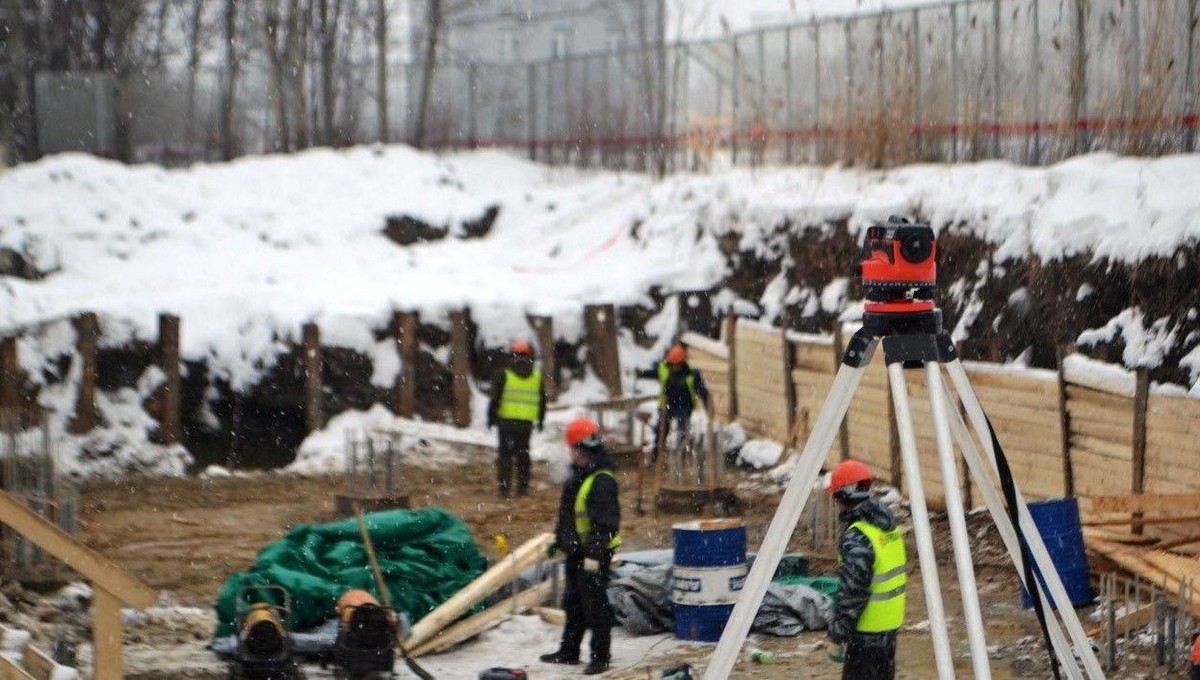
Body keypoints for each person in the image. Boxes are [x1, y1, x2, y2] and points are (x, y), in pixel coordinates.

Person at [540, 417, 621, 676]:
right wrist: (560, 539)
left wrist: (594, 556)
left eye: (573, 449)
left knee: (594, 605)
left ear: (582, 448)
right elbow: (568, 514)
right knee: (573, 602)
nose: (570, 454)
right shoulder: (577, 475)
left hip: (594, 554)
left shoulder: (602, 480)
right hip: (577, 551)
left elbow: (606, 524)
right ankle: (569, 652)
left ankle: (600, 657)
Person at [824, 459, 906, 680]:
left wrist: (837, 634)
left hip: (865, 638)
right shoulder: (887, 527)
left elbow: (853, 592)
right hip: (888, 632)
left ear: (843, 495)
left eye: (835, 496)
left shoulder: (858, 536)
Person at [486, 340, 546, 498]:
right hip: (525, 424)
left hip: (506, 422)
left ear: (512, 355)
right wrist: (540, 419)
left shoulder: (504, 375)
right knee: (523, 455)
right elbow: (542, 401)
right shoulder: (536, 377)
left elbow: (495, 399)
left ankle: (504, 489)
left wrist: (491, 417)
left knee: (505, 455)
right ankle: (523, 488)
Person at [638, 344, 709, 460]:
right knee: (661, 430)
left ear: (682, 363)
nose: (674, 366)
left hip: (684, 406)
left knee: (682, 432)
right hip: (667, 405)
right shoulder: (664, 369)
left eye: (677, 364)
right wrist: (641, 373)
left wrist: (707, 404)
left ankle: (681, 458)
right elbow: (653, 373)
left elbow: (702, 391)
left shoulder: (692, 374)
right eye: (672, 364)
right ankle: (657, 457)